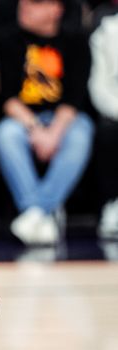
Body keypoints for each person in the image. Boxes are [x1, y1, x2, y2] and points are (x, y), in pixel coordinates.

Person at [0, 0, 94, 246]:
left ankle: (33, 213)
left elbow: (74, 98)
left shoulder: (76, 41)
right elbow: (6, 98)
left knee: (81, 133)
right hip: (23, 118)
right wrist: (35, 129)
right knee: (6, 134)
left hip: (64, 118)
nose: (25, 5)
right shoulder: (8, 40)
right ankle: (43, 213)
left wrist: (53, 134)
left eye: (36, 2)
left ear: (56, 9)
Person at [88, 7, 118, 240]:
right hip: (114, 112)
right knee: (108, 133)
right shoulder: (106, 30)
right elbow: (98, 87)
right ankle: (112, 206)